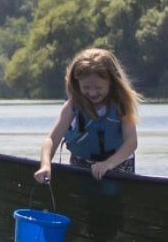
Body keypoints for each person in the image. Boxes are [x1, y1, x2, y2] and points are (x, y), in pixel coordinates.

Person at [35, 47, 140, 182]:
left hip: (118, 162)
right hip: (82, 162)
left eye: (98, 88)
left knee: (110, 190)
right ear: (77, 84)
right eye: (86, 88)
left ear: (112, 83)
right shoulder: (73, 105)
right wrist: (45, 164)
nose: (92, 93)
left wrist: (107, 164)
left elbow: (131, 142)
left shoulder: (121, 103)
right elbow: (51, 140)